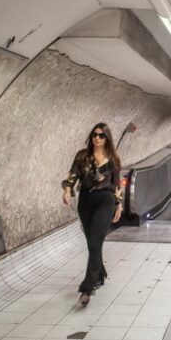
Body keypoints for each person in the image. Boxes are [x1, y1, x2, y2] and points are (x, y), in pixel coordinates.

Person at [61, 123, 122, 306]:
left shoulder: (113, 160)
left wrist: (118, 206)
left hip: (105, 201)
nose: (97, 138)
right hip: (86, 201)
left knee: (96, 241)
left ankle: (87, 287)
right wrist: (66, 191)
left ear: (107, 138)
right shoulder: (82, 156)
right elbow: (72, 176)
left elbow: (117, 185)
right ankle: (100, 273)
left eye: (102, 135)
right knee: (91, 242)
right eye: (95, 134)